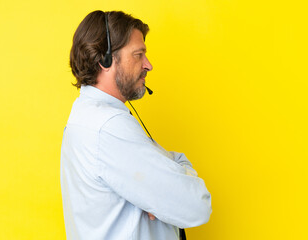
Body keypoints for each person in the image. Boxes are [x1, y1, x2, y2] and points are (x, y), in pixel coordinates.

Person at [60, 10, 212, 240]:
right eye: (138, 55)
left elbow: (173, 173)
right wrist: (172, 186)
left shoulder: (85, 115)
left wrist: (163, 190)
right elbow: (197, 204)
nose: (148, 65)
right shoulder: (109, 127)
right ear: (105, 59)